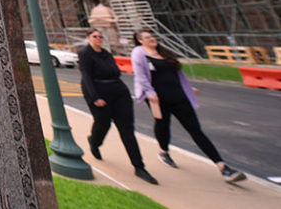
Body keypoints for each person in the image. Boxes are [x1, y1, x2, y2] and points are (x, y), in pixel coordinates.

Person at [131, 29, 246, 183]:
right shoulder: (139, 54)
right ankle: (163, 151)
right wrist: (150, 92)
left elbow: (177, 75)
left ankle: (223, 167)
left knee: (195, 130)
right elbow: (141, 76)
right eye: (147, 37)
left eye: (152, 36)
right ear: (140, 40)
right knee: (163, 124)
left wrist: (188, 89)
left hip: (179, 96)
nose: (152, 39)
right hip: (158, 98)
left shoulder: (165, 53)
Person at [79, 28, 158, 184]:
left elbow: (115, 71)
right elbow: (86, 76)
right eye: (95, 36)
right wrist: (95, 97)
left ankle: (139, 167)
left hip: (119, 92)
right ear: (89, 38)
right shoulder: (85, 53)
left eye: (101, 36)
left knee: (127, 129)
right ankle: (94, 142)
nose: (98, 38)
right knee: (103, 124)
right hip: (98, 93)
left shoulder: (107, 54)